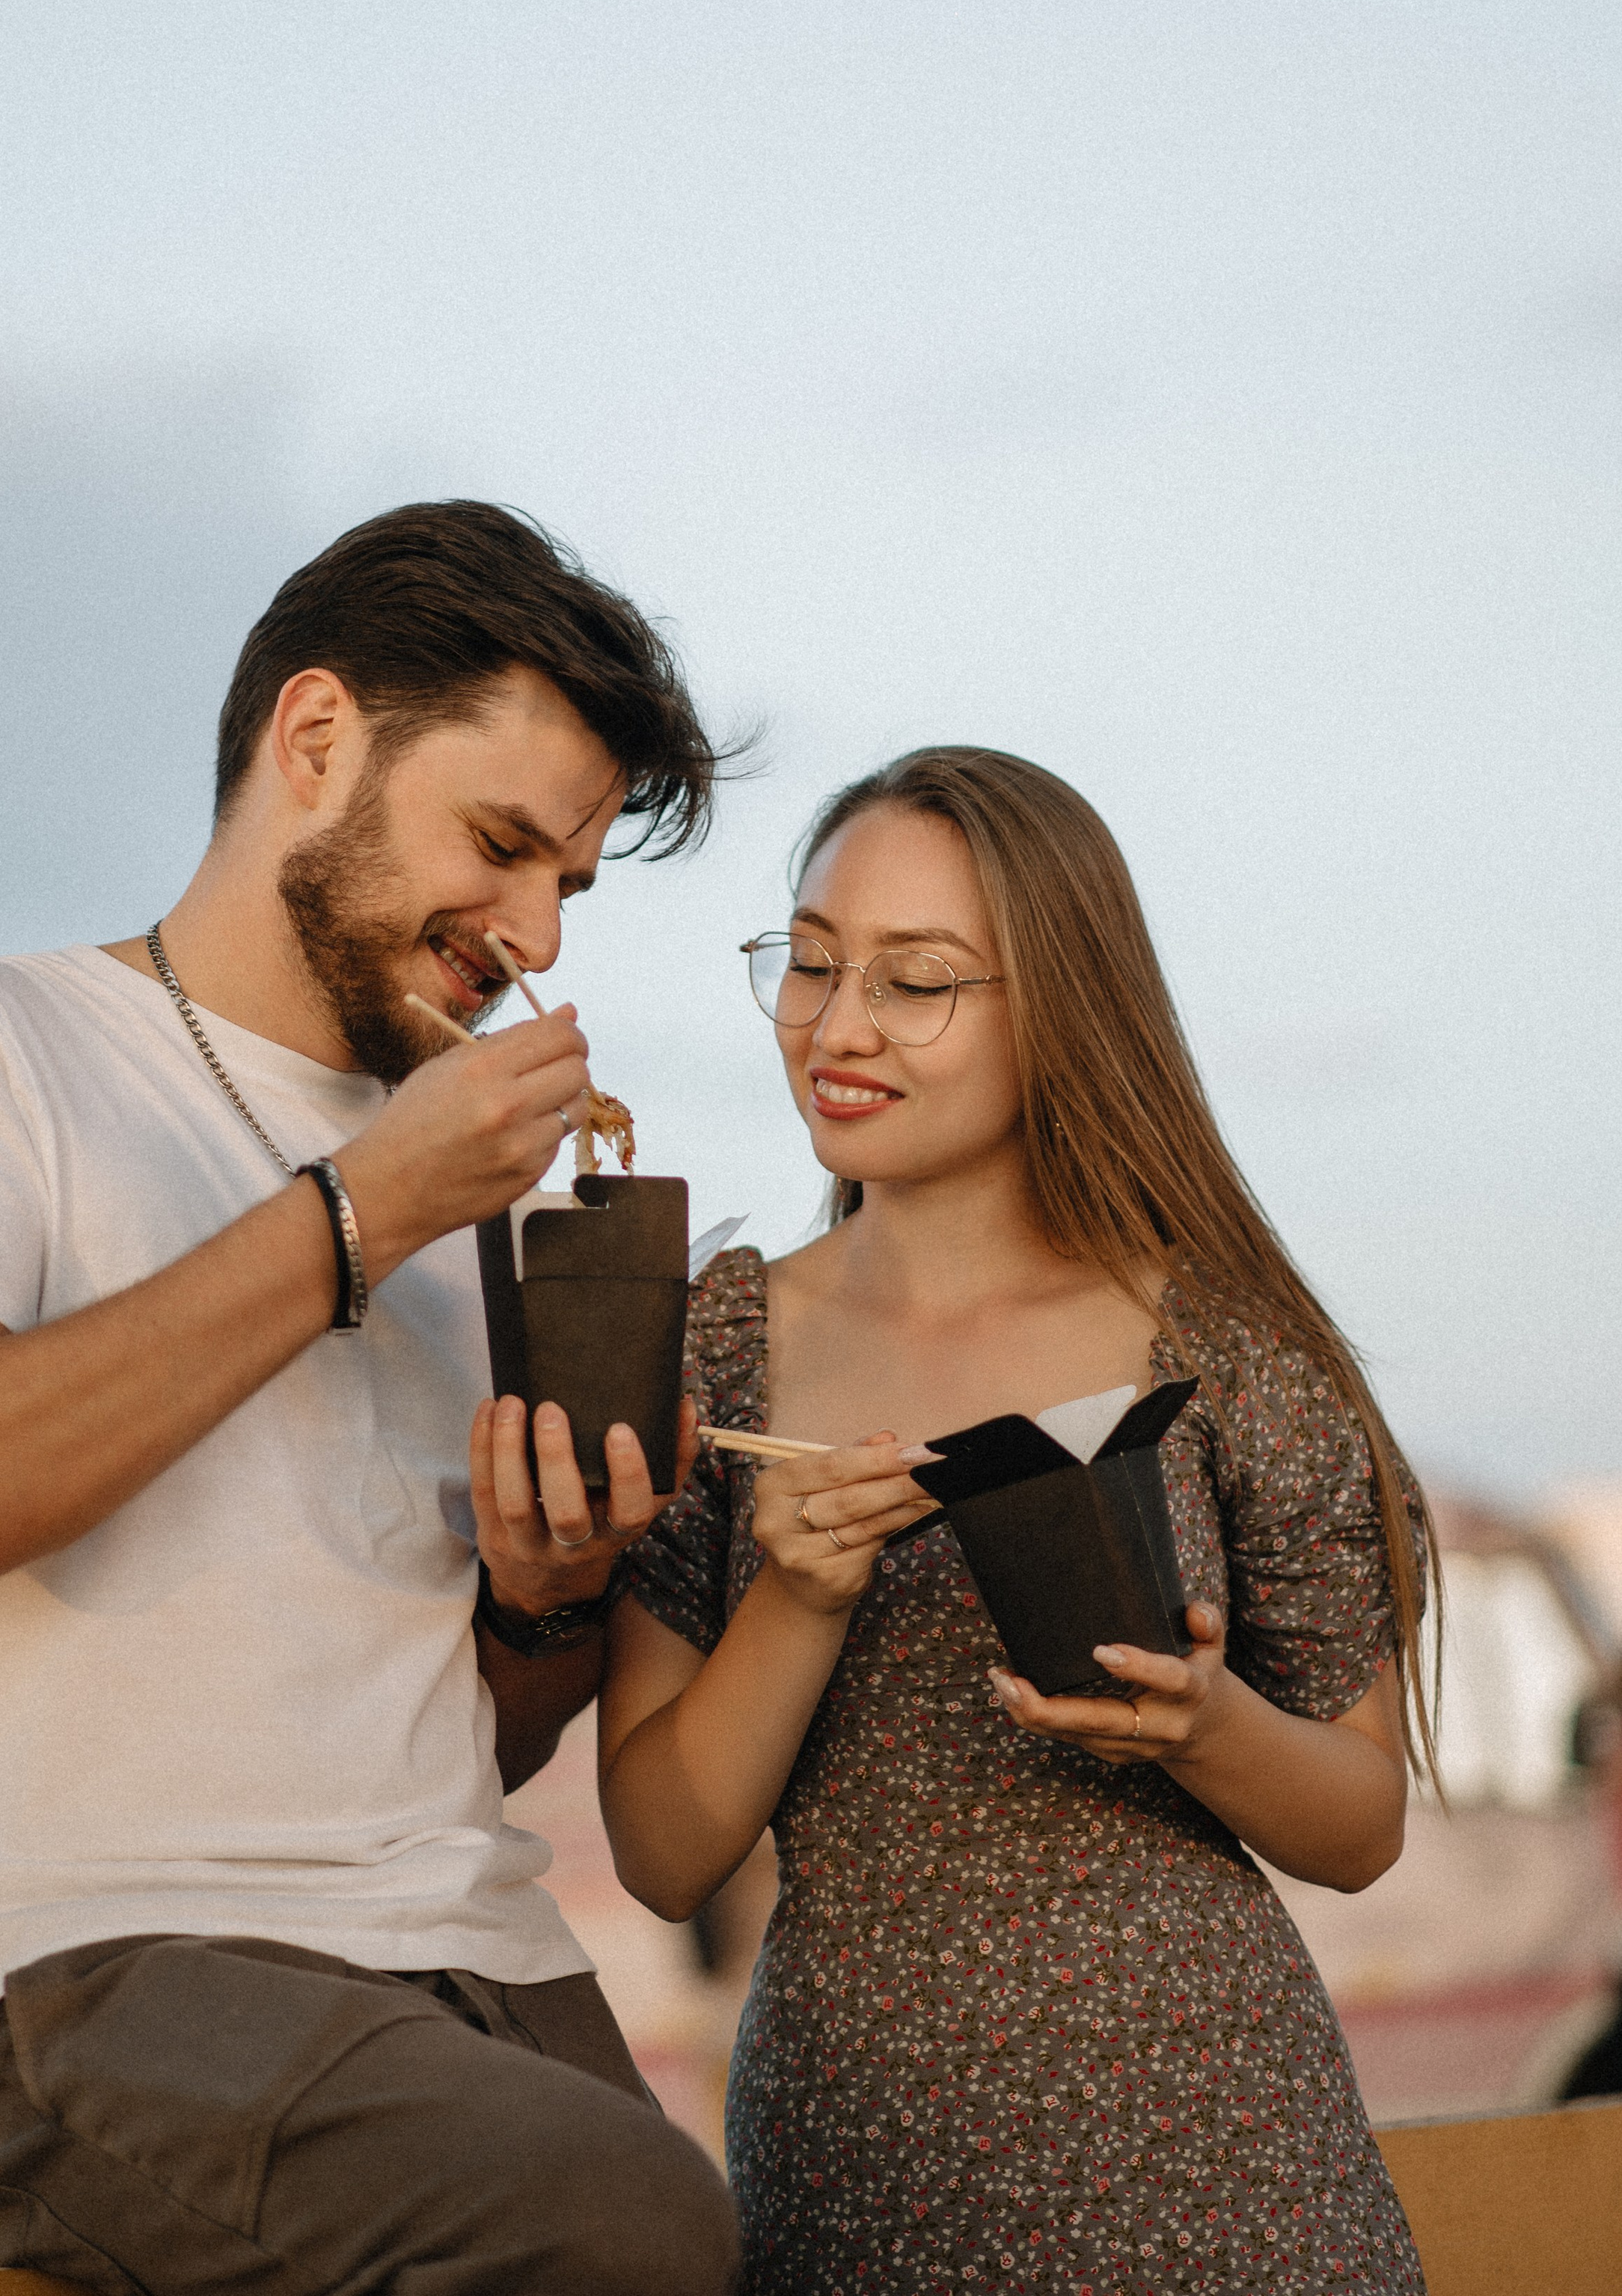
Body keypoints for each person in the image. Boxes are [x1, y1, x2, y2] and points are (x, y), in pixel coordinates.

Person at [0, 501, 741, 2296]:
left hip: (476, 1958)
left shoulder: (475, 1193)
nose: (530, 933)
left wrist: (554, 1584)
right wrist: (362, 1211)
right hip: (101, 1968)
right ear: (314, 740)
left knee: (748, 2239)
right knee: (628, 2226)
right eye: (500, 842)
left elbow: (483, 1732)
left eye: (566, 887)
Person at [601, 747, 1433, 2294]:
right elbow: (660, 1850)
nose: (836, 1027)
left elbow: (1361, 1824)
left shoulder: (1223, 1341)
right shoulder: (713, 1346)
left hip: (1221, 2171)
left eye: (915, 982)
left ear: (1056, 1006)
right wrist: (793, 1599)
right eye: (808, 960)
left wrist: (1201, 1727)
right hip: (857, 2175)